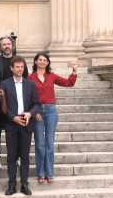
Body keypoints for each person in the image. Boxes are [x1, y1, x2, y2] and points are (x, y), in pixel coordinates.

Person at [28, 52, 77, 184]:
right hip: (37, 111)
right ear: (36, 62)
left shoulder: (51, 76)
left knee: (49, 143)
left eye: (45, 60)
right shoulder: (30, 77)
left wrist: (74, 71)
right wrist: (33, 112)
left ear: (48, 63)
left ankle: (49, 173)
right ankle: (40, 173)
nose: (42, 61)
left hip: (50, 111)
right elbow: (27, 96)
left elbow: (68, 83)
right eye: (40, 59)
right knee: (39, 144)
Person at [0, 36, 29, 172]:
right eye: (4, 44)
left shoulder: (19, 61)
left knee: (16, 131)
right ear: (0, 47)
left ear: (12, 45)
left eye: (8, 44)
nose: (6, 46)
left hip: (17, 101)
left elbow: (26, 79)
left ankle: (16, 157)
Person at [1, 56, 41, 196]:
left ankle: (24, 184)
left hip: (26, 123)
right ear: (11, 68)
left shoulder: (30, 84)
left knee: (25, 156)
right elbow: (2, 107)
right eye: (17, 67)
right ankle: (11, 184)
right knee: (11, 156)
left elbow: (37, 104)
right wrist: (13, 118)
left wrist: (30, 113)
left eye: (22, 67)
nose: (19, 69)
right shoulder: (4, 84)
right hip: (12, 125)